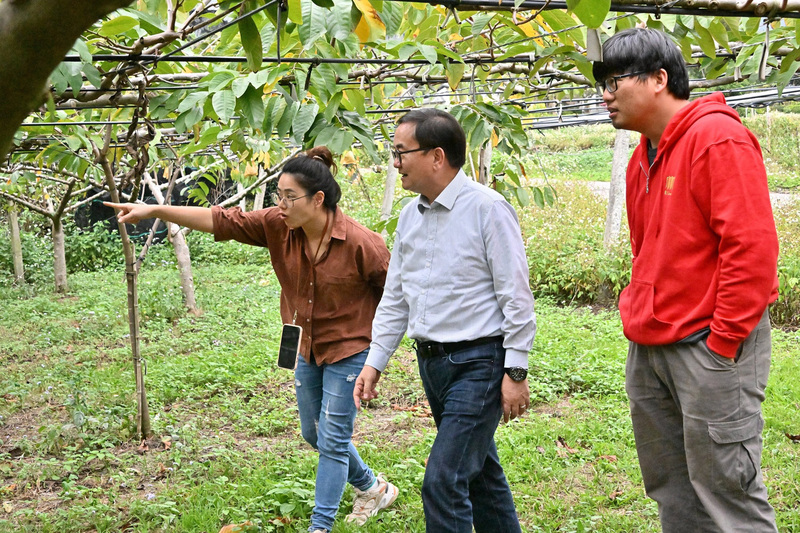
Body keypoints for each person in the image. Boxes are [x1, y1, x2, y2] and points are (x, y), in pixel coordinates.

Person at [106, 146, 398, 533]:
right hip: (306, 345)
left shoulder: (364, 243)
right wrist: (157, 210)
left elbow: (395, 297)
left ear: (318, 199)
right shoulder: (279, 225)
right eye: (279, 195)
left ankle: (320, 526)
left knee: (332, 439)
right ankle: (371, 486)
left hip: (349, 350)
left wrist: (376, 358)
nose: (281, 205)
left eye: (289, 197)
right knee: (313, 432)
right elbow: (221, 219)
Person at [593, 28, 780, 532]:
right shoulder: (641, 158)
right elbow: (648, 250)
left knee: (728, 489)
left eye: (615, 82)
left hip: (709, 347)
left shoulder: (716, 137)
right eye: (601, 85)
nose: (606, 96)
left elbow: (751, 247)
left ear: (658, 79)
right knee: (672, 488)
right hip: (653, 344)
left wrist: (723, 343)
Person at [353, 108, 537, 533]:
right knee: (481, 477)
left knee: (444, 479)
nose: (395, 162)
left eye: (402, 152)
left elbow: (516, 295)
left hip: (480, 363)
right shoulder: (409, 217)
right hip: (433, 364)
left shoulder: (487, 209)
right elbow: (397, 296)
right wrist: (374, 361)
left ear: (437, 156)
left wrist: (516, 368)